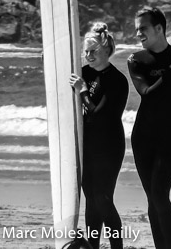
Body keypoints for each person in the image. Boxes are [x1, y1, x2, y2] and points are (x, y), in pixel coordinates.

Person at [127, 7, 171, 249]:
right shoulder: (137, 60)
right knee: (153, 198)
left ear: (159, 28)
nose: (138, 33)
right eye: (136, 29)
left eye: (142, 28)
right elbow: (148, 94)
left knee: (160, 193)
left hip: (170, 137)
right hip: (143, 137)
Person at [69, 22, 128, 249]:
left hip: (109, 145)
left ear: (106, 50)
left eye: (92, 51)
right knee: (91, 200)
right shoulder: (84, 73)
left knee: (103, 198)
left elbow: (99, 115)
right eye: (86, 51)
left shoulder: (117, 80)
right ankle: (93, 246)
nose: (88, 55)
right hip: (88, 144)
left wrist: (82, 91)